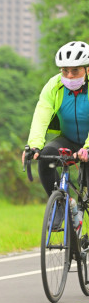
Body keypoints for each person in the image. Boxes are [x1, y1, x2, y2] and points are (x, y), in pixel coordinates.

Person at [24, 41, 89, 198]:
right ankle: (62, 205)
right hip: (68, 140)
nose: (69, 75)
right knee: (46, 158)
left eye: (75, 70)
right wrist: (34, 146)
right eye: (65, 70)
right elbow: (41, 116)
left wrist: (87, 148)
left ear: (87, 69)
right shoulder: (54, 86)